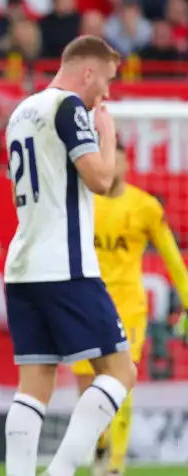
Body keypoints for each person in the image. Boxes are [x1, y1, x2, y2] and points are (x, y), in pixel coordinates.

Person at [3, 35, 137, 476]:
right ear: (88, 72)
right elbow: (101, 181)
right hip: (66, 264)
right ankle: (61, 472)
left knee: (34, 384)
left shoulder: (21, 112)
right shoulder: (68, 107)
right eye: (107, 81)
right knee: (120, 372)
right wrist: (108, 139)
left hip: (22, 265)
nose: (107, 93)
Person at [74, 140, 188, 476]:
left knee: (122, 380)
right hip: (86, 306)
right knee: (90, 388)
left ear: (125, 164)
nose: (110, 165)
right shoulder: (82, 203)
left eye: (116, 159)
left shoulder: (146, 206)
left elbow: (172, 258)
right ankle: (100, 448)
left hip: (127, 308)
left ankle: (116, 465)